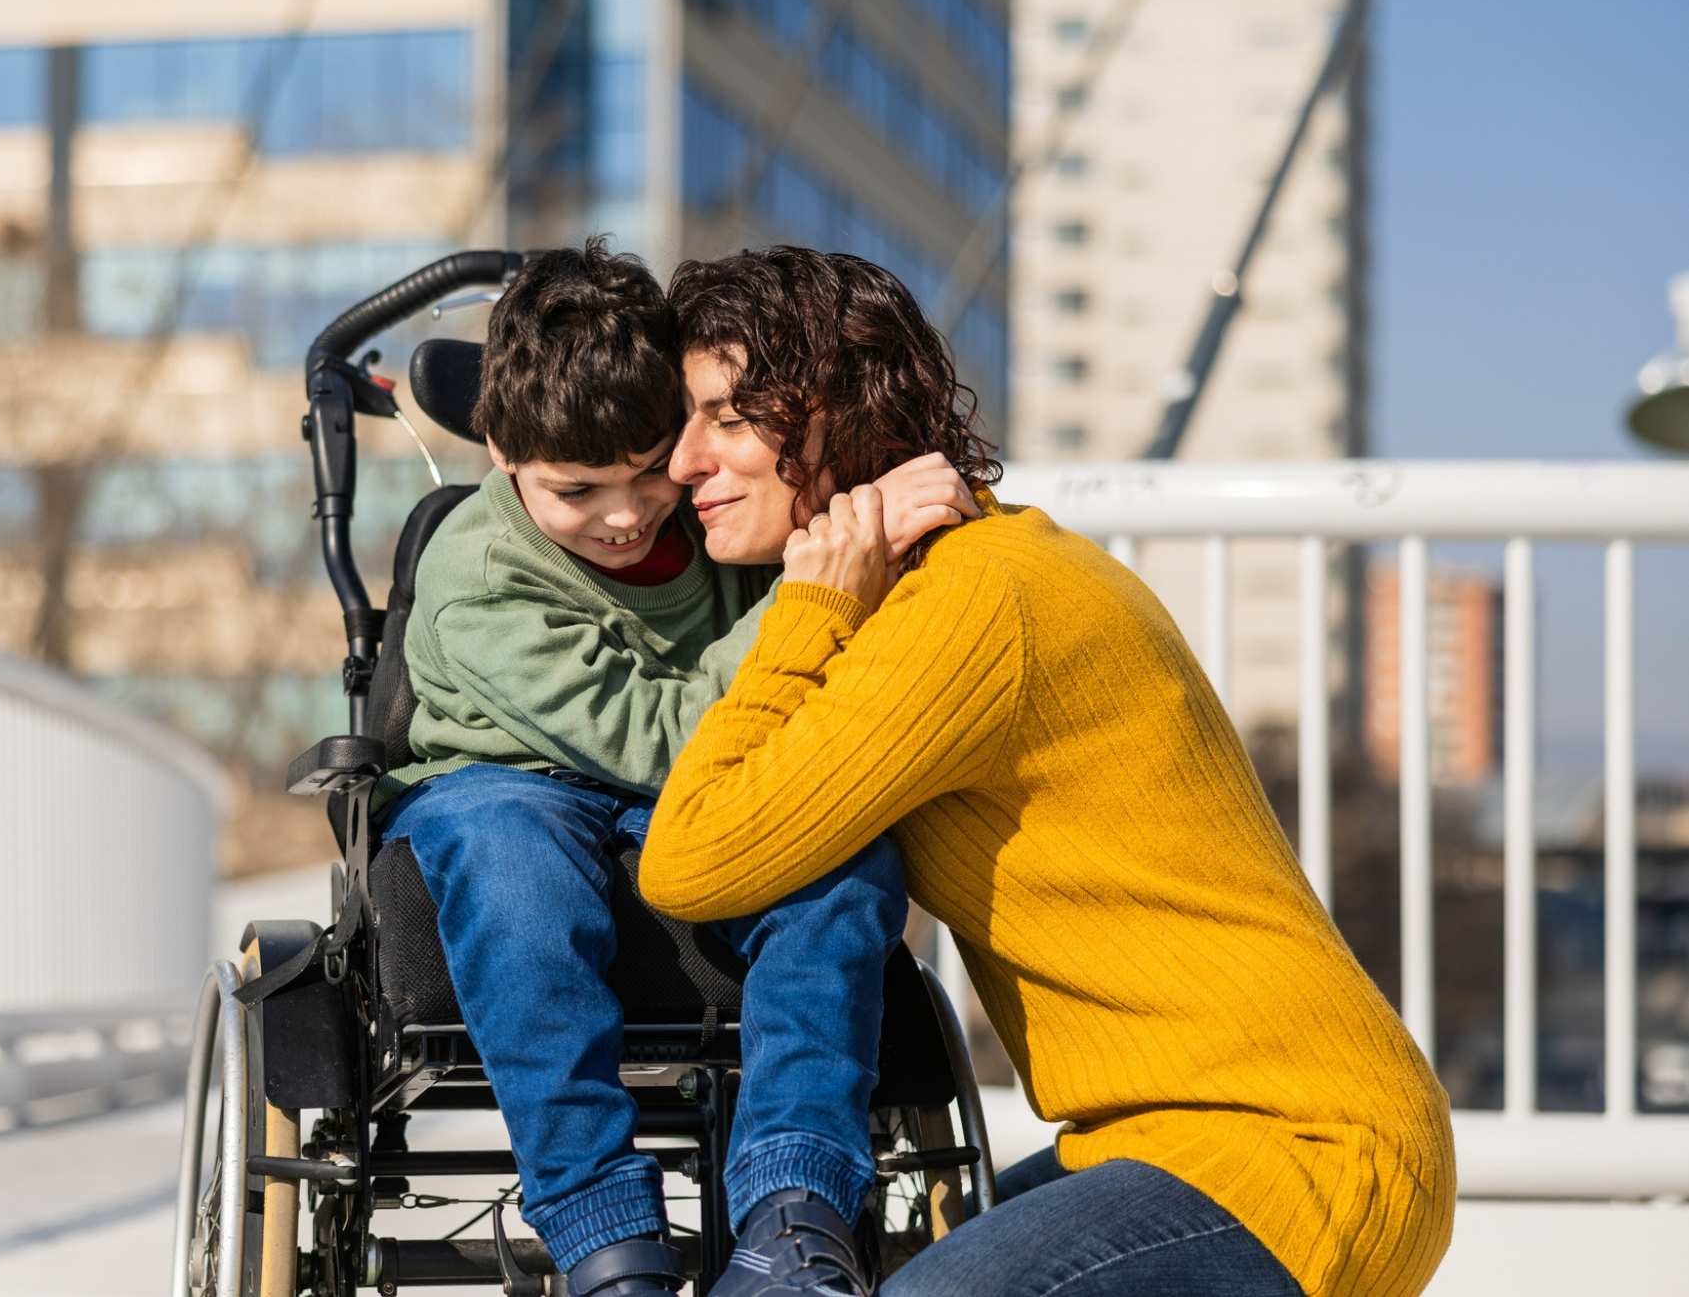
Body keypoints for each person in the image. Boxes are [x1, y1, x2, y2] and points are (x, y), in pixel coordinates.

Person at [639, 246, 1456, 1297]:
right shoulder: (956, 574)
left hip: (1293, 1148)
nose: (682, 461)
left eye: (727, 417)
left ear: (835, 409)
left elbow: (693, 856)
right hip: (1172, 1141)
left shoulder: (973, 603)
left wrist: (810, 606)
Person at [376, 240, 978, 1297]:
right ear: (501, 453)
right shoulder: (473, 573)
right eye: (578, 490)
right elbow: (660, 732)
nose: (624, 513)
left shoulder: (712, 520)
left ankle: (793, 1214)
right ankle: (604, 1230)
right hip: (509, 783)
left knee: (843, 869)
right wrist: (810, 592)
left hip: (692, 808)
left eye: (651, 466)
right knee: (512, 867)